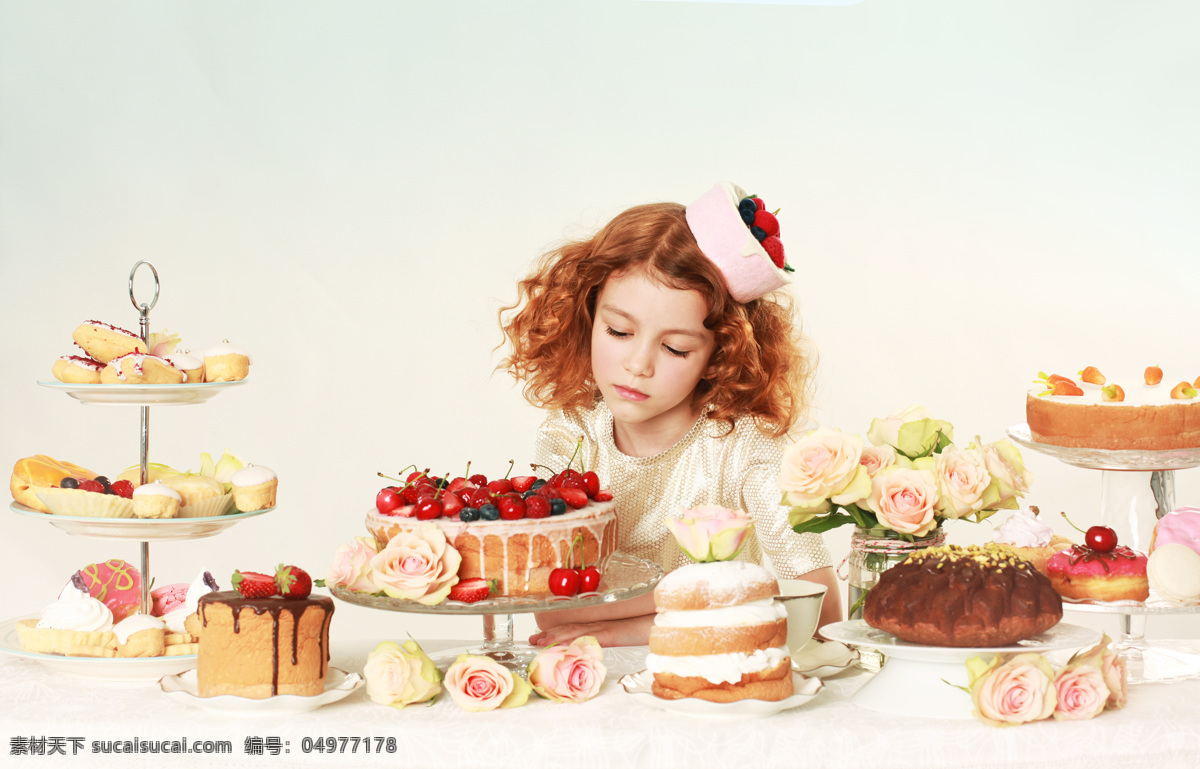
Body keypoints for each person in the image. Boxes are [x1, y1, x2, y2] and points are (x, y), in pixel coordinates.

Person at [499, 182, 841, 647]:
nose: (638, 365)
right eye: (619, 331)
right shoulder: (572, 434)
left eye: (675, 348)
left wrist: (645, 624)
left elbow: (820, 609)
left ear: (719, 355)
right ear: (588, 314)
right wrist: (722, 596)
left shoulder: (746, 447)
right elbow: (553, 609)